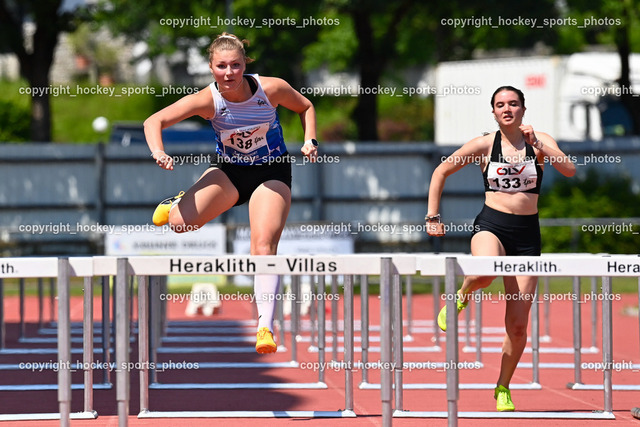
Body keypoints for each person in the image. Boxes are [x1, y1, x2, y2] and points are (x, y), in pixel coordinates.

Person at [144, 33, 318, 354]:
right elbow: (154, 120)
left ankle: (265, 325)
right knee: (180, 224)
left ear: (244, 66)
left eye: (235, 66)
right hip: (229, 172)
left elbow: (305, 107)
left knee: (263, 245)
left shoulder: (271, 88)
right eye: (221, 66)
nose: (229, 73)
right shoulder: (207, 100)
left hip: (271, 171)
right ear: (211, 68)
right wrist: (159, 151)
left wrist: (310, 140)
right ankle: (176, 205)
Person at [425, 86, 576, 411]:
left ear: (523, 108)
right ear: (493, 112)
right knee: (484, 272)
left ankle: (503, 387)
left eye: (513, 103)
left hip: (527, 235)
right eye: (500, 105)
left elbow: (569, 169)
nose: (507, 109)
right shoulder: (484, 144)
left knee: (518, 325)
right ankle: (460, 296)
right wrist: (433, 216)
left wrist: (539, 145)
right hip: (491, 225)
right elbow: (441, 171)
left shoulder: (539, 139)